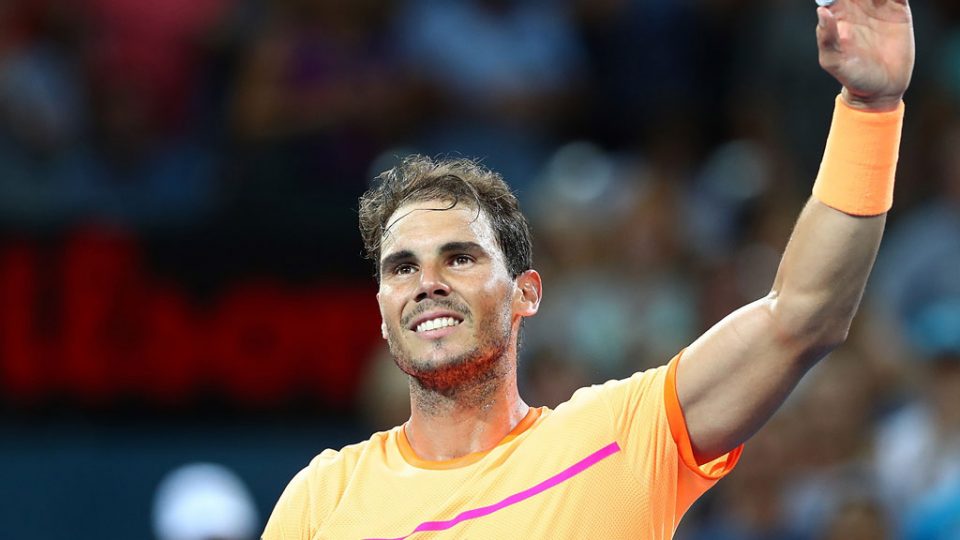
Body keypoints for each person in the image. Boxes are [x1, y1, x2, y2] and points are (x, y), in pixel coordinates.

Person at [262, 1, 915, 538]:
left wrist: (870, 109)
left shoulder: (617, 439)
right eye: (402, 267)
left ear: (526, 294)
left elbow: (802, 316)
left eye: (459, 257)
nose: (427, 281)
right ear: (381, 311)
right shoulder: (321, 499)